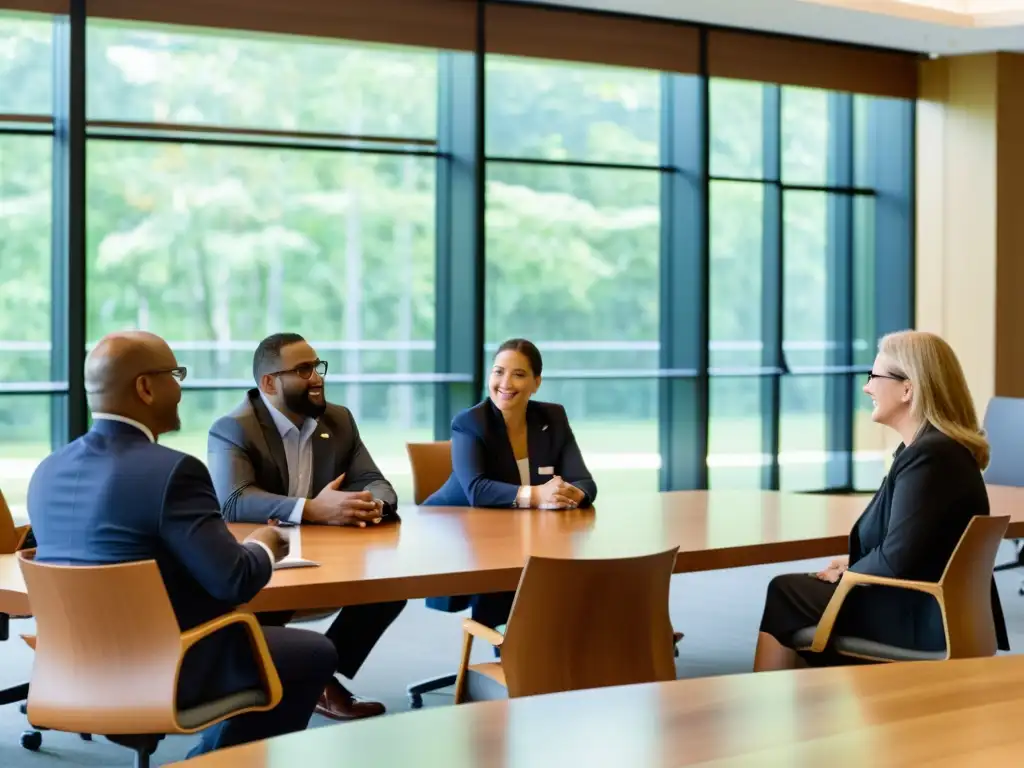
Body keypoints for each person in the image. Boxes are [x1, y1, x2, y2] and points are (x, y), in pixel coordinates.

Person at [27, 331, 336, 759]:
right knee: (314, 652)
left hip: (70, 663)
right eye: (175, 375)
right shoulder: (174, 472)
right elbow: (234, 580)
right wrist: (266, 543)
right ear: (145, 387)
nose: (181, 388)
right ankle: (211, 760)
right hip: (166, 664)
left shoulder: (48, 469)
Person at [753, 330, 1009, 671]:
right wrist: (852, 566)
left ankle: (768, 705)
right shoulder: (935, 451)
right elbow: (912, 546)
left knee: (784, 592)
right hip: (931, 606)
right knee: (797, 596)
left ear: (908, 389)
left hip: (920, 617)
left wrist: (851, 575)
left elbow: (897, 560)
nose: (867, 387)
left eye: (875, 376)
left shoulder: (931, 458)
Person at [207, 332, 405, 721]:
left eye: (317, 367)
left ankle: (321, 678)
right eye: (303, 370)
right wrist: (311, 509)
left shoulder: (339, 419)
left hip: (327, 555)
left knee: (392, 584)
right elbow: (233, 500)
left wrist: (370, 504)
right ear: (269, 383)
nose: (317, 377)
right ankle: (267, 688)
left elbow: (376, 481)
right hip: (264, 556)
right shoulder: (234, 428)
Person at [423, 338, 597, 631]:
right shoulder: (470, 422)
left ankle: (630, 632)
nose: (505, 382)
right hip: (454, 534)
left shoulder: (552, 417)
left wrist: (573, 493)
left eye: (518, 374)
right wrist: (538, 495)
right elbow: (477, 490)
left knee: (570, 568)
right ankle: (513, 660)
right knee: (527, 573)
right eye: (498, 371)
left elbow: (584, 480)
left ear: (536, 383)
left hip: (517, 535)